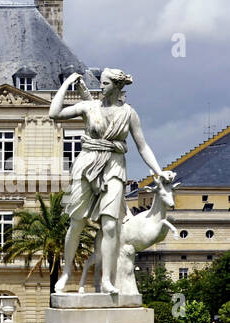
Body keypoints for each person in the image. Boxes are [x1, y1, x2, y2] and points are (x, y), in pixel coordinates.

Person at [48, 69, 176, 295]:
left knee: (110, 225)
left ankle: (107, 279)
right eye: (100, 83)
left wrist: (158, 172)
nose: (101, 87)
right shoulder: (89, 107)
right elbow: (54, 113)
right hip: (87, 165)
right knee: (77, 222)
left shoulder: (129, 113)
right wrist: (68, 82)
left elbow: (142, 146)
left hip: (115, 167)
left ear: (116, 87)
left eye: (105, 83)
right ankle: (66, 271)